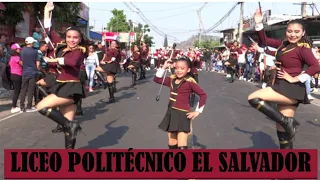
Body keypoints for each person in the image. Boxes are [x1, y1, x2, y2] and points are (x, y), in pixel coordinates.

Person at [248, 9, 320, 150]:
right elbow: (264, 41)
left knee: (253, 98)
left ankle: (289, 122)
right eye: (289, 31)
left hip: (291, 88)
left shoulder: (303, 48)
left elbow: (315, 66)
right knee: (284, 134)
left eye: (296, 32)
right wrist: (258, 24)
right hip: (283, 85)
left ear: (303, 33)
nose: (292, 34)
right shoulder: (284, 44)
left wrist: (296, 79)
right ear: (286, 31)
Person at [36, 2, 87, 149]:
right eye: (69, 37)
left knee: (41, 106)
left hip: (71, 87)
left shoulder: (80, 50)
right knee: (68, 131)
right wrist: (46, 12)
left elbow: (72, 61)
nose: (72, 40)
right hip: (63, 85)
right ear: (66, 37)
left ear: (79, 38)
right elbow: (48, 31)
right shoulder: (60, 45)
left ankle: (70, 124)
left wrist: (55, 60)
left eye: (75, 38)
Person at [154, 57, 207, 149]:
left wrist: (197, 111)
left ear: (188, 69)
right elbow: (157, 79)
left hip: (183, 114)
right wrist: (164, 67)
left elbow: (203, 95)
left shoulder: (189, 82)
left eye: (182, 68)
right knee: (172, 142)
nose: (179, 70)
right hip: (171, 113)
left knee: (182, 144)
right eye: (177, 68)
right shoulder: (171, 80)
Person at [19, 37, 40, 112]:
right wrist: (36, 68)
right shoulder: (35, 51)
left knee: (23, 89)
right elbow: (37, 62)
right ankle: (29, 106)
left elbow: (21, 62)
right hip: (32, 72)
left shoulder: (22, 51)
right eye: (33, 42)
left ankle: (21, 106)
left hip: (25, 72)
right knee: (30, 89)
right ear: (31, 43)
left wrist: (25, 66)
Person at [8, 43, 22, 113]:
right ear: (15, 50)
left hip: (13, 75)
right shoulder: (16, 58)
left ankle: (15, 105)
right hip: (17, 75)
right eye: (18, 49)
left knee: (17, 91)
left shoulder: (11, 57)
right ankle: (13, 107)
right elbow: (23, 64)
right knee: (17, 91)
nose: (19, 50)